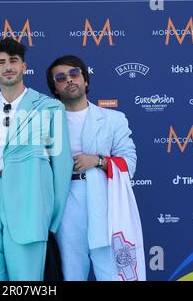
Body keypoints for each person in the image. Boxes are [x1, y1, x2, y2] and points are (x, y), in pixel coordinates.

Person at [0, 38, 73, 281]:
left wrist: (48, 214)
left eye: (13, 60)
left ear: (24, 66)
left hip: (29, 199)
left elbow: (62, 165)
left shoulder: (49, 107)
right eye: (0, 62)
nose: (8, 66)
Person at [46, 55, 137, 281]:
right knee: (71, 271)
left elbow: (130, 163)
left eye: (74, 74)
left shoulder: (113, 119)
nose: (69, 80)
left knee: (110, 271)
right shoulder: (46, 122)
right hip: (64, 202)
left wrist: (97, 161)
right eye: (61, 77)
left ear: (85, 80)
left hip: (104, 202)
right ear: (55, 89)